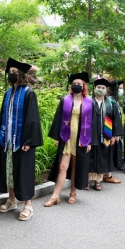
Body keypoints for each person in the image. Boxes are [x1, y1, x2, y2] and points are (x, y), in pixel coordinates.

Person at [0, 58, 43, 221]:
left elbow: (33, 119)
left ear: (22, 75)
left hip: (22, 142)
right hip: (7, 140)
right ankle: (12, 200)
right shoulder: (8, 93)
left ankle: (28, 205)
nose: (13, 75)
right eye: (11, 72)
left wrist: (29, 141)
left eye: (16, 72)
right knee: (9, 170)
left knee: (24, 172)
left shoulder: (28, 93)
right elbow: (3, 116)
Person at [44, 72, 92, 206]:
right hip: (67, 137)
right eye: (74, 84)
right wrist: (56, 137)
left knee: (75, 167)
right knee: (62, 166)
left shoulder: (89, 102)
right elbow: (58, 118)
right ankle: (55, 196)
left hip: (81, 138)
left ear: (83, 86)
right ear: (71, 85)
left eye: (79, 84)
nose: (77, 86)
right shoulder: (65, 100)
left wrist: (90, 142)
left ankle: (73, 193)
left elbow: (93, 123)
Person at [88, 78, 124, 191]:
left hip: (105, 135)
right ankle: (87, 181)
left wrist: (115, 135)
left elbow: (116, 119)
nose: (100, 89)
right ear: (94, 88)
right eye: (98, 87)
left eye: (103, 88)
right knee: (89, 156)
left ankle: (98, 181)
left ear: (106, 89)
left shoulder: (111, 103)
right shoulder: (88, 101)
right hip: (90, 134)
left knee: (102, 156)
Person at [102, 80, 125, 183]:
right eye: (120, 88)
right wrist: (115, 133)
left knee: (109, 152)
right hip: (107, 130)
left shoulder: (113, 100)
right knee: (107, 152)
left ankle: (108, 175)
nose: (121, 90)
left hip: (111, 131)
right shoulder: (110, 101)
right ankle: (107, 175)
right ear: (115, 89)